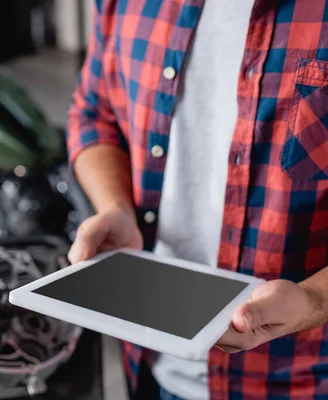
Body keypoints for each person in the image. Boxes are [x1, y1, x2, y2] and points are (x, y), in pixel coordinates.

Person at [66, 0, 328, 399]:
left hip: (297, 380)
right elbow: (94, 113)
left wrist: (314, 300)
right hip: (148, 365)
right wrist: (114, 204)